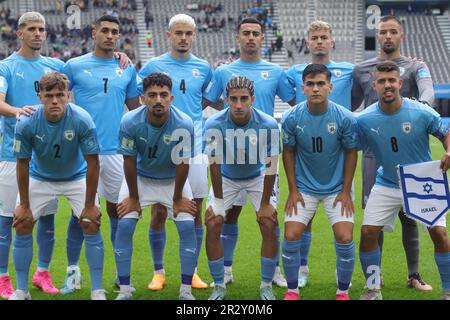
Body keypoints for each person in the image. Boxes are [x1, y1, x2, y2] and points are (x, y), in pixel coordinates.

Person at [204, 17, 296, 288]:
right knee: (225, 215)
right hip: (229, 157)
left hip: (262, 159)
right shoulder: (223, 72)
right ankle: (227, 270)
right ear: (238, 37)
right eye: (246, 33)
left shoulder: (276, 72)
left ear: (262, 38)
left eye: (256, 33)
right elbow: (206, 102)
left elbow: (296, 102)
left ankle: (274, 271)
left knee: (269, 218)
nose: (251, 38)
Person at [352, 15, 434, 291]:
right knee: (375, 219)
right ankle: (376, 277)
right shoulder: (362, 69)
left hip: (410, 154)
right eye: (383, 32)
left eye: (392, 32)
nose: (387, 36)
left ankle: (414, 274)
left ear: (402, 35)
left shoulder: (415, 66)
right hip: (375, 154)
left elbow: (428, 93)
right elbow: (350, 105)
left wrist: (419, 112)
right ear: (377, 36)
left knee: (411, 216)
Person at [357, 61, 450, 300]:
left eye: (391, 80)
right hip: (387, 181)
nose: (387, 85)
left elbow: (445, 133)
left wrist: (448, 151)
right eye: (382, 81)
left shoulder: (420, 111)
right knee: (368, 232)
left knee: (438, 233)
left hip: (422, 180)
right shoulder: (365, 119)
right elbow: (350, 147)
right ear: (375, 86)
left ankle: (448, 290)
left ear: (399, 83)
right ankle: (373, 288)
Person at [60, 14, 140, 294]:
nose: (109, 35)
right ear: (93, 33)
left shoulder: (127, 68)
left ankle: (122, 276)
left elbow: (135, 108)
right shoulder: (74, 66)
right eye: (104, 30)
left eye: (114, 31)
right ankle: (72, 272)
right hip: (82, 153)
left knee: (117, 211)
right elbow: (55, 98)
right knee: (80, 213)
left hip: (116, 152)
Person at [9, 72, 105, 300]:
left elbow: (93, 162)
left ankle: (97, 290)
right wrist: (24, 204)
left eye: (60, 95)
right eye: (49, 95)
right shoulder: (26, 122)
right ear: (39, 96)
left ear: (68, 96)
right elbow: (22, 163)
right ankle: (22, 291)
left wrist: (90, 204)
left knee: (91, 223)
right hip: (40, 177)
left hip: (76, 177)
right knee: (22, 223)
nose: (54, 101)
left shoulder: (82, 119)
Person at [137, 13, 213, 290]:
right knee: (158, 210)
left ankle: (191, 271)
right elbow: (139, 99)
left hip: (196, 150)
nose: (183, 38)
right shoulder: (154, 65)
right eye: (178, 33)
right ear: (168, 35)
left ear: (194, 36)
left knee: (194, 212)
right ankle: (158, 272)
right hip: (162, 150)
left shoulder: (203, 67)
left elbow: (208, 98)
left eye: (188, 33)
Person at [113, 73, 198, 300]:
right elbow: (128, 161)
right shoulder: (130, 121)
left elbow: (182, 163)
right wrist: (133, 197)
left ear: (171, 98)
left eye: (163, 95)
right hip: (140, 179)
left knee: (187, 226)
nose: (158, 100)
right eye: (152, 95)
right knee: (124, 226)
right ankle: (124, 290)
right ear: (143, 98)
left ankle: (186, 291)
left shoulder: (184, 123)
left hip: (173, 180)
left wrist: (178, 197)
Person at [285, 20, 355, 288]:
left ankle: (343, 287)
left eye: (320, 84)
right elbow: (288, 152)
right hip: (305, 185)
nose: (315, 88)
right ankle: (300, 271)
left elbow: (351, 152)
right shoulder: (292, 117)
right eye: (310, 84)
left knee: (345, 236)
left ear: (330, 87)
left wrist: (347, 190)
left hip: (335, 185)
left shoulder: (344, 117)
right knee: (294, 231)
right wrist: (293, 189)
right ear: (302, 87)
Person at [0, 11, 62, 298]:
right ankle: (3, 277)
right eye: (32, 29)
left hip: (46, 158)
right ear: (19, 33)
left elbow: (91, 72)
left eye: (42, 29)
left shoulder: (54, 66)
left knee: (47, 219)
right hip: (11, 155)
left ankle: (42, 273)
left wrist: (119, 58)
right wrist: (17, 111)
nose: (38, 33)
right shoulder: (7, 67)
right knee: (7, 218)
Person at [204, 76, 280, 300]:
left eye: (244, 99)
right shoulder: (213, 124)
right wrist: (217, 202)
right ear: (226, 99)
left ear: (252, 99)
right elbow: (214, 165)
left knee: (268, 222)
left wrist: (265, 204)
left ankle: (266, 285)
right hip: (227, 176)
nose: (238, 104)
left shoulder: (268, 123)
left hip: (257, 176)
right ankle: (219, 285)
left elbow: (271, 165)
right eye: (233, 99)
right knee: (213, 222)